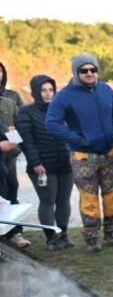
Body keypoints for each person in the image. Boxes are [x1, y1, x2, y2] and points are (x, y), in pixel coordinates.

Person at [45, 54, 113, 252]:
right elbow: (51, 123)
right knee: (89, 198)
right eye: (84, 70)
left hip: (110, 152)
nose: (89, 73)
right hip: (83, 156)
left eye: (93, 70)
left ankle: (111, 234)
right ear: (76, 72)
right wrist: (77, 139)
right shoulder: (65, 95)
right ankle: (91, 238)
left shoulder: (106, 89)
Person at [15, 75, 73, 250]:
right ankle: (51, 237)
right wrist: (35, 162)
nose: (47, 94)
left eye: (50, 90)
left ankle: (63, 234)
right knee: (48, 201)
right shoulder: (26, 112)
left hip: (64, 163)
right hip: (41, 166)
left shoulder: (61, 109)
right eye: (43, 90)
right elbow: (26, 140)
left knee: (64, 200)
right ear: (35, 91)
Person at [0, 61, 27, 248]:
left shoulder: (10, 100)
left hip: (8, 158)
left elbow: (19, 128)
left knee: (10, 193)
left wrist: (14, 141)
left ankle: (14, 234)